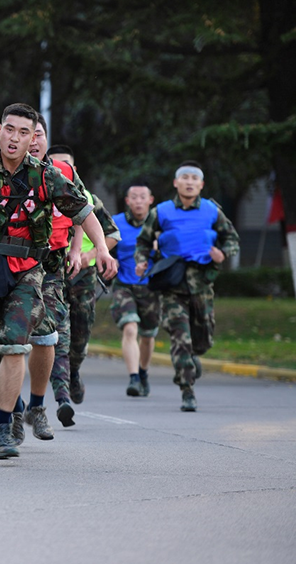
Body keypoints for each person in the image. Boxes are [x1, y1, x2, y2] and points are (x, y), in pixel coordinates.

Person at [0, 102, 115, 460]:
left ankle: (4, 426)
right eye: (11, 130)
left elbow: (84, 211)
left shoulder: (47, 175)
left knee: (16, 342)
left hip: (28, 270)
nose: (17, 138)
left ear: (34, 136)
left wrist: (101, 248)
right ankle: (6, 414)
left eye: (26, 132)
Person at [135, 161, 239, 412]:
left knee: (202, 340)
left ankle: (194, 356)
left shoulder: (213, 211)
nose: (190, 182)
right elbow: (144, 241)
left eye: (195, 178)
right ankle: (187, 389)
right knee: (179, 337)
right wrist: (141, 261)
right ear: (176, 182)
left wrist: (222, 254)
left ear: (201, 184)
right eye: (185, 177)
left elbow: (231, 239)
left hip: (202, 284)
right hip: (173, 284)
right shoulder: (162, 211)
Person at [17, 118, 84, 442]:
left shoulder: (63, 173)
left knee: (48, 333)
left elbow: (81, 211)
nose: (32, 141)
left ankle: (38, 407)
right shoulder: (4, 173)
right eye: (26, 134)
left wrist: (77, 248)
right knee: (10, 339)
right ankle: (12, 409)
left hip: (51, 265)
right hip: (11, 264)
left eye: (38, 134)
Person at [47, 145, 120, 412]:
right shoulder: (41, 194)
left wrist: (90, 256)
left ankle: (74, 372)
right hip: (53, 273)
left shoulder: (88, 199)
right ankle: (62, 397)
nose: (57, 169)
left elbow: (112, 234)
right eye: (51, 163)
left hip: (84, 279)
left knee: (79, 336)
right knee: (59, 336)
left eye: (64, 164)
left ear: (73, 169)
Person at [111, 183, 160, 397]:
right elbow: (104, 247)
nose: (138, 201)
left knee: (148, 336)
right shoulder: (116, 223)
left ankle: (143, 372)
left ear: (151, 200)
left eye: (143, 197)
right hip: (124, 285)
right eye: (134, 197)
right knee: (130, 328)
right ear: (128, 201)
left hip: (151, 287)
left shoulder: (160, 224)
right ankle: (133, 379)